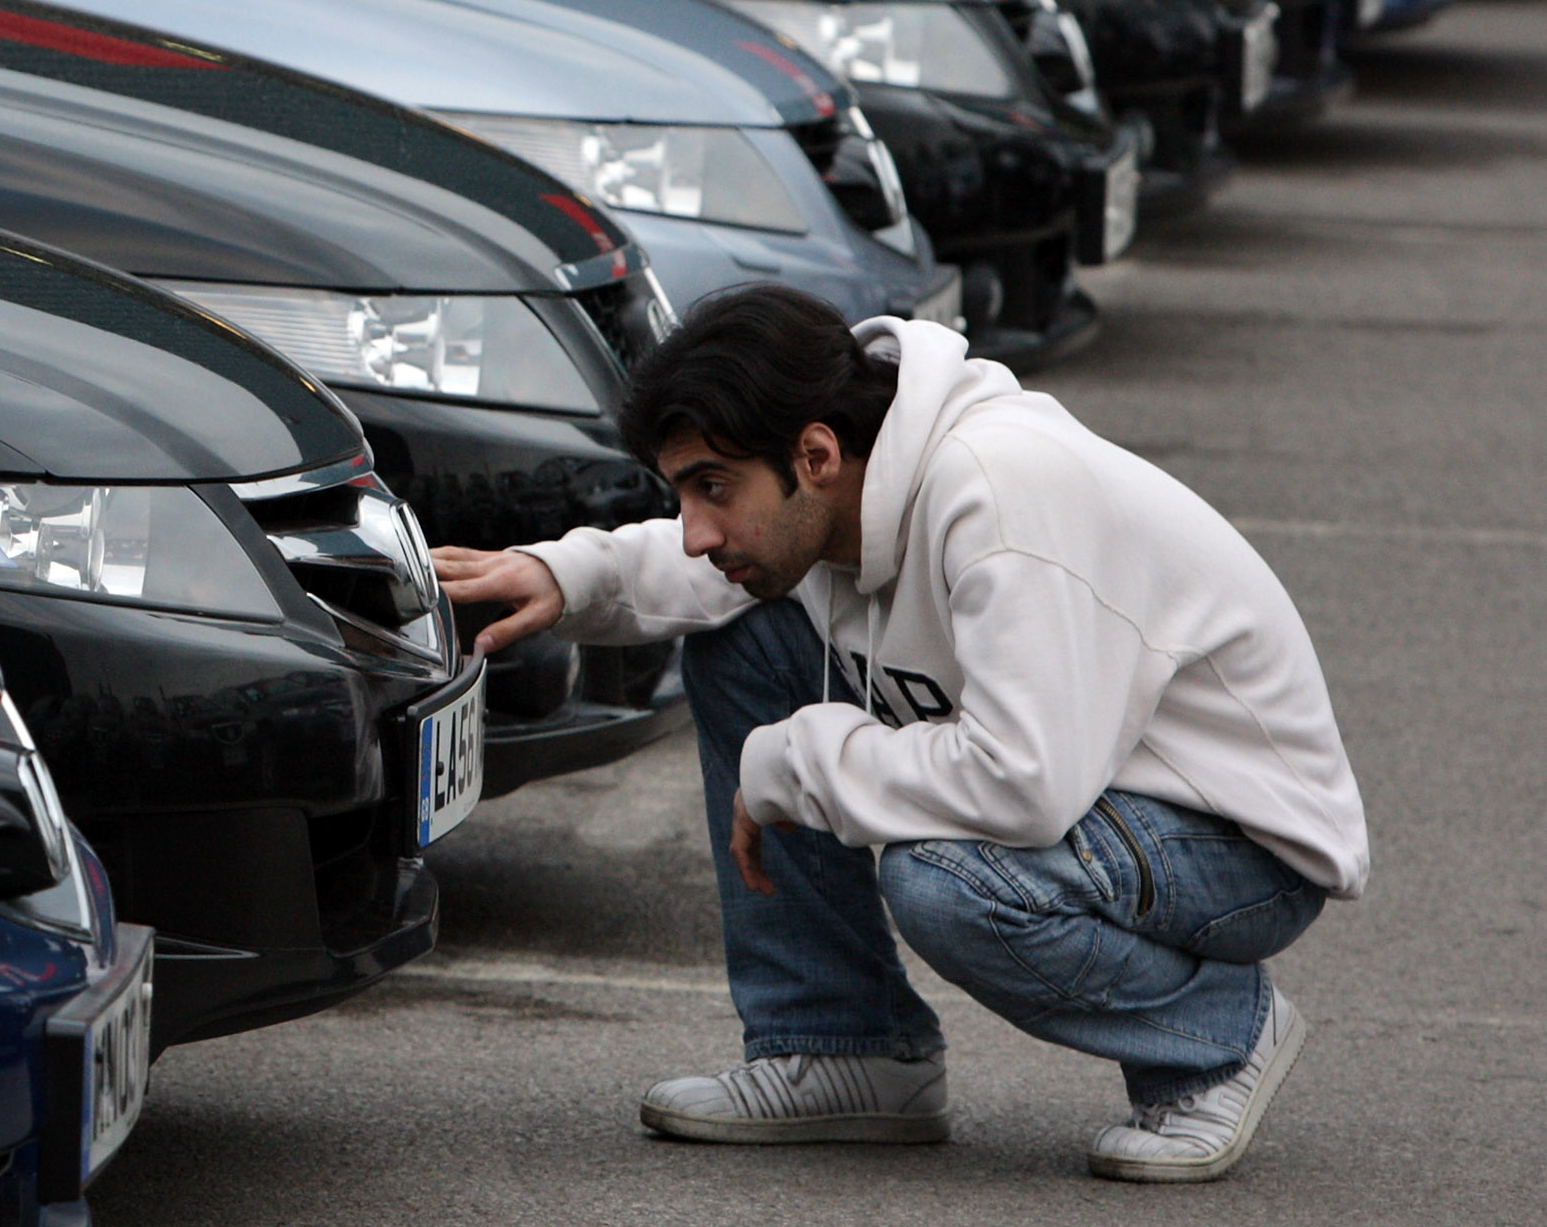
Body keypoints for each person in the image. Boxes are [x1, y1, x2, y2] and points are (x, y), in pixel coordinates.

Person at [436, 286, 1365, 1183]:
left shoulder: (1000, 496)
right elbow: (701, 575)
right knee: (744, 638)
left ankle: (1214, 1043)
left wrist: (795, 760)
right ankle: (845, 1046)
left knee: (946, 882)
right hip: (1101, 789)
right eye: (682, 493)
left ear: (815, 454)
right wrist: (562, 573)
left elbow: (1023, 783)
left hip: (1233, 839)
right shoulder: (849, 488)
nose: (694, 531)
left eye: (711, 487)